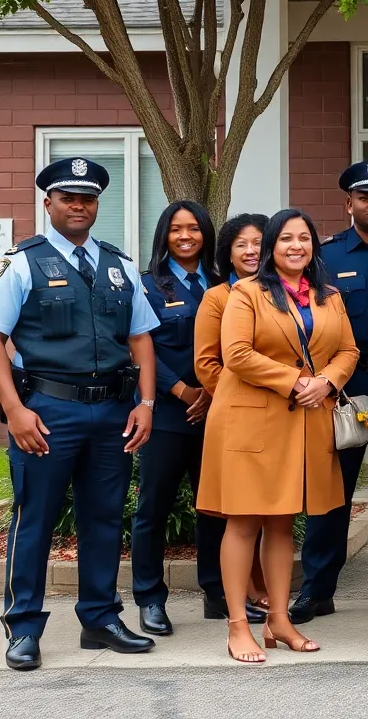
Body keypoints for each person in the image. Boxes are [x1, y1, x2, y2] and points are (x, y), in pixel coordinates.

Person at [0, 157, 160, 671]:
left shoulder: (120, 266)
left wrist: (145, 404)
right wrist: (15, 409)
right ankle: (24, 627)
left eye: (88, 198)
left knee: (103, 518)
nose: (79, 206)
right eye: (68, 198)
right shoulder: (22, 261)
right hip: (48, 411)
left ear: (98, 204)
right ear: (48, 203)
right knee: (35, 517)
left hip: (114, 412)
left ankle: (99, 620)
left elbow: (141, 338)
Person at [197, 209, 359, 663]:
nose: (296, 246)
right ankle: (236, 626)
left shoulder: (328, 296)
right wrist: (296, 382)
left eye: (304, 238)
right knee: (245, 520)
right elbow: (236, 354)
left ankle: (279, 621)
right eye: (285, 238)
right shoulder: (246, 293)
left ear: (313, 247)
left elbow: (348, 349)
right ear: (271, 246)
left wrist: (327, 381)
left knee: (284, 521)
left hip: (305, 421)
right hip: (252, 421)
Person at [292, 160, 368, 624]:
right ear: (349, 203)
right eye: (365, 196)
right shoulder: (323, 258)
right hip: (338, 387)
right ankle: (318, 590)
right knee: (330, 492)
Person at [129, 201, 227, 637]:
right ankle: (150, 598)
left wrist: (210, 391)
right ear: (163, 236)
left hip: (219, 412)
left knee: (217, 508)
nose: (185, 236)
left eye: (194, 229)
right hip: (166, 414)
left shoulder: (227, 285)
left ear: (207, 234)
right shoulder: (147, 285)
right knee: (153, 508)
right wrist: (183, 390)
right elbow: (139, 346)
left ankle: (217, 592)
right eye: (175, 229)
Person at [194, 213, 273, 619]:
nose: (251, 251)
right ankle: (240, 592)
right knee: (240, 509)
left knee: (267, 508)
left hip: (281, 415)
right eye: (241, 244)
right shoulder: (218, 298)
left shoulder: (286, 293)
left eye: (258, 242)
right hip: (241, 413)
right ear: (227, 252)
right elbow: (207, 363)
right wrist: (243, 395)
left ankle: (260, 585)